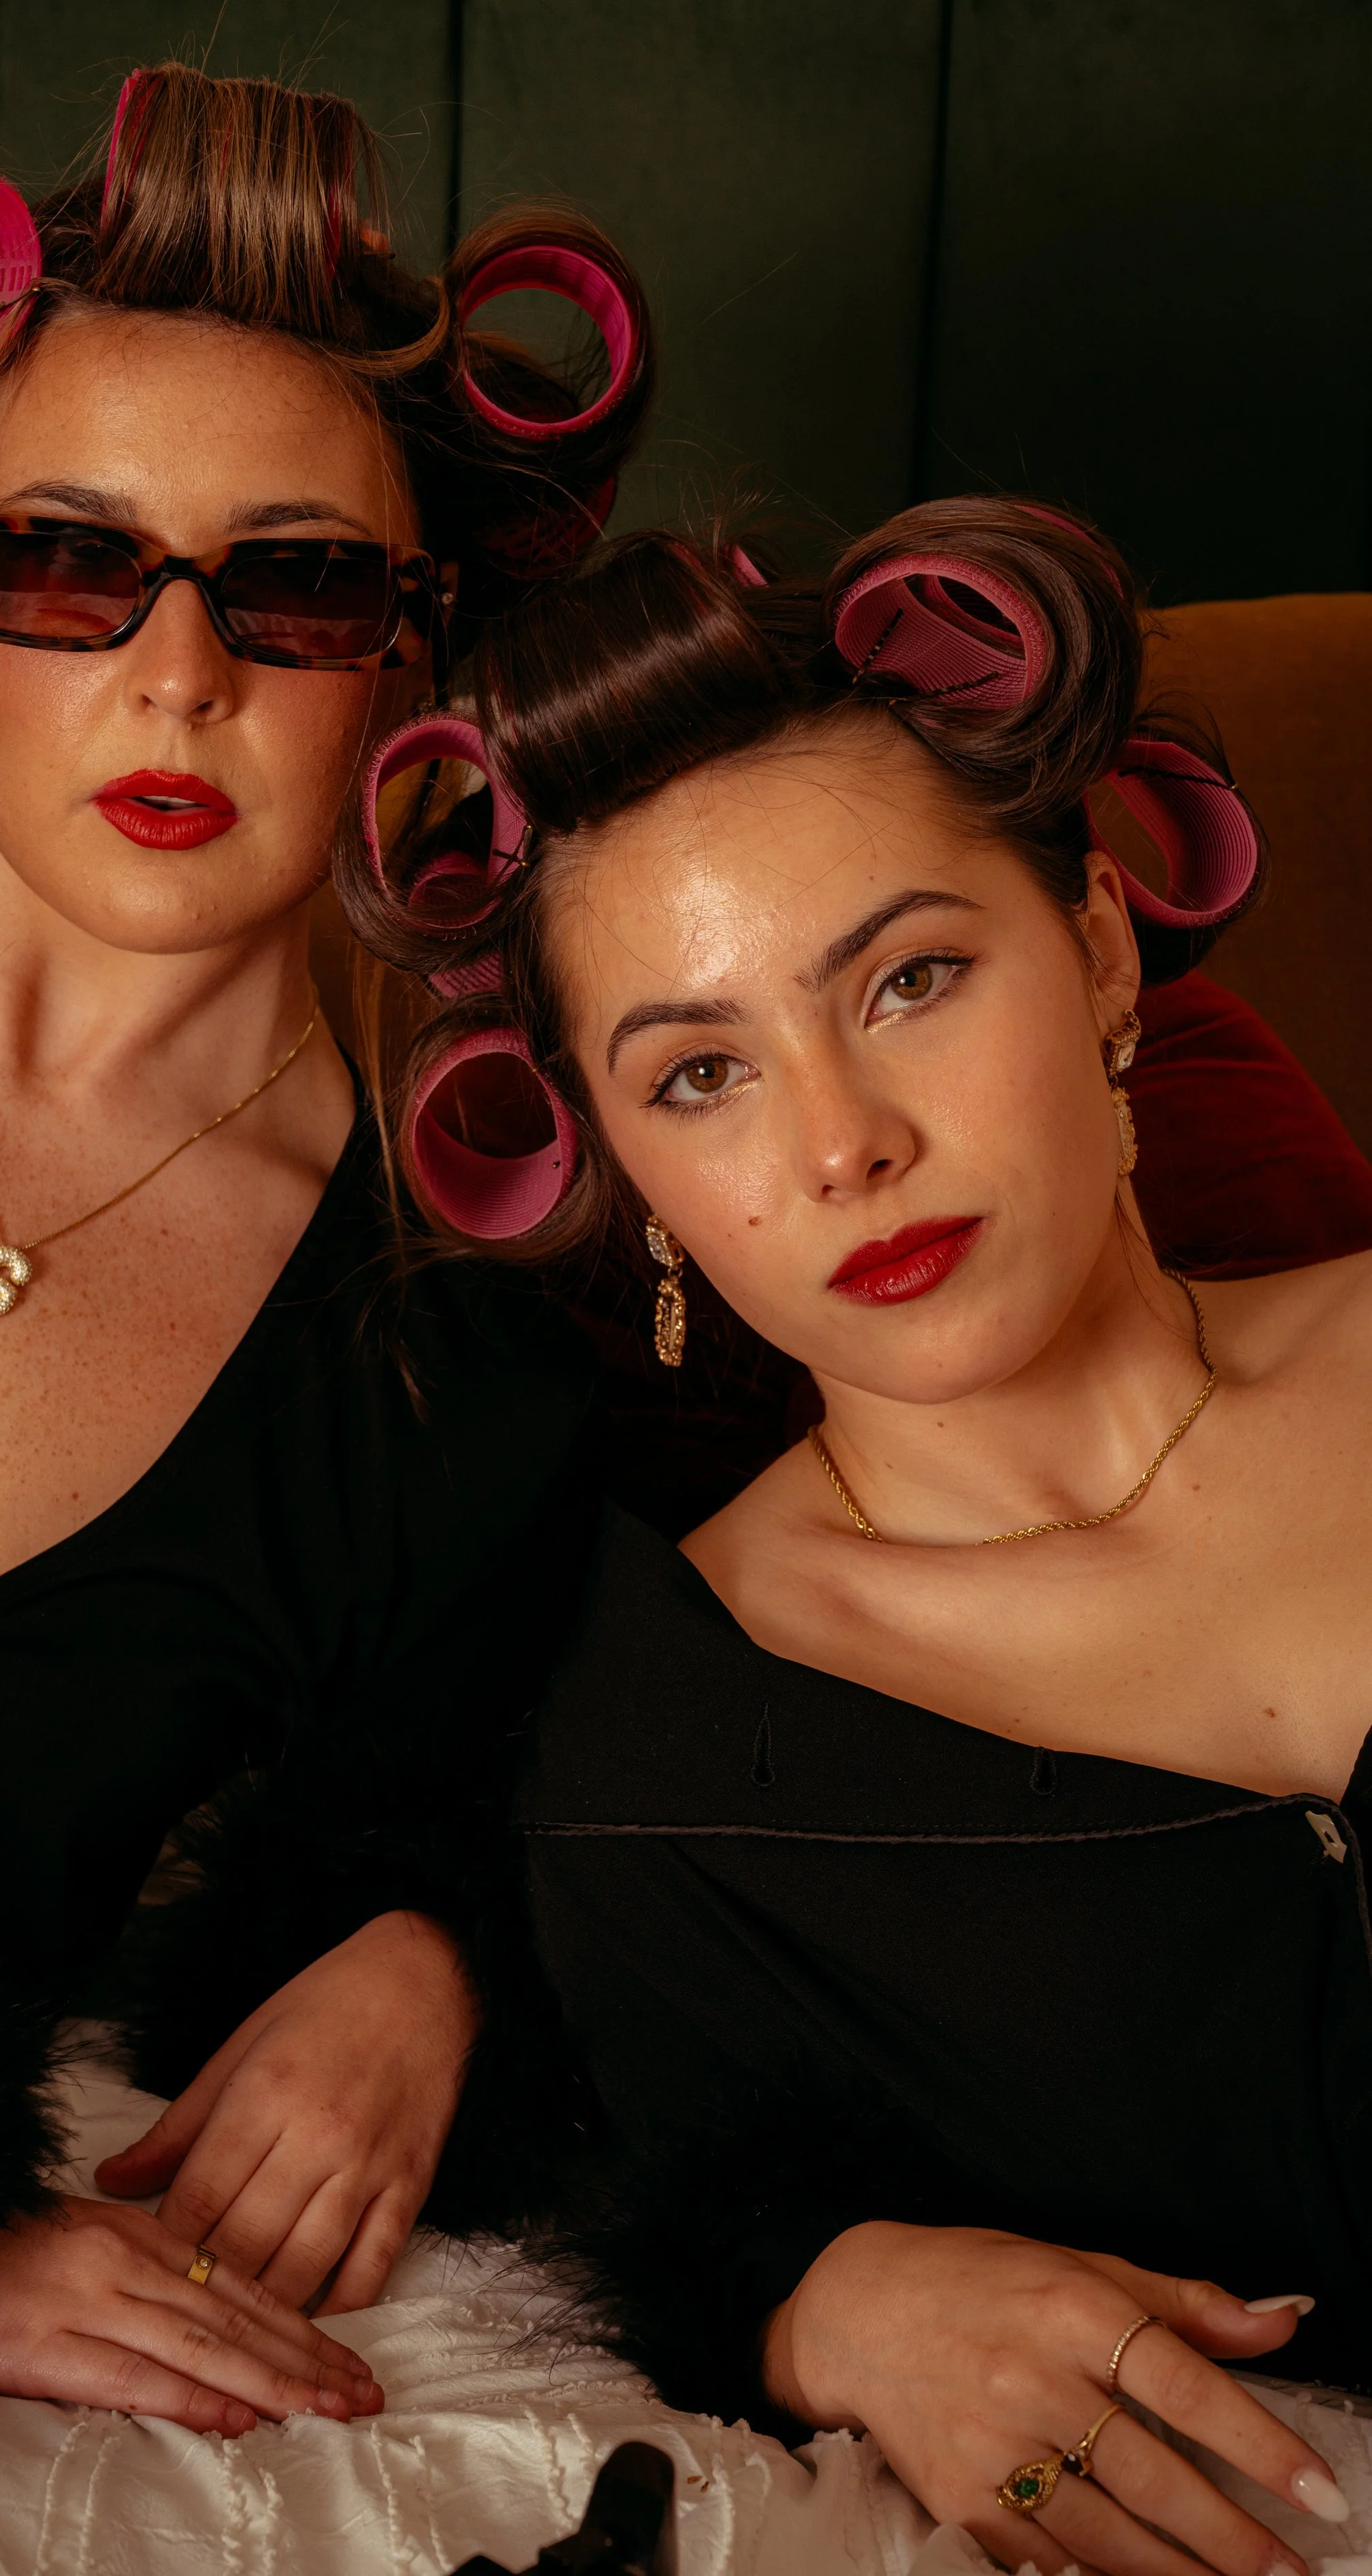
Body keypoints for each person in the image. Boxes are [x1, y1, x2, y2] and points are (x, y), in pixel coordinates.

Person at [0, 61, 650, 2421]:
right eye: (67, 560)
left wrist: (436, 1950)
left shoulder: (450, 1329)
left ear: (404, 660)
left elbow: (642, 1758)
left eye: (295, 583)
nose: (174, 670)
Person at [345, 499, 1372, 2576]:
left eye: (906, 976)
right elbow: (693, 2201)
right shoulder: (665, 1782)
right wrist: (815, 2302)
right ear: (621, 1167)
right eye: (700, 1071)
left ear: (1095, 949)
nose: (838, 1144)